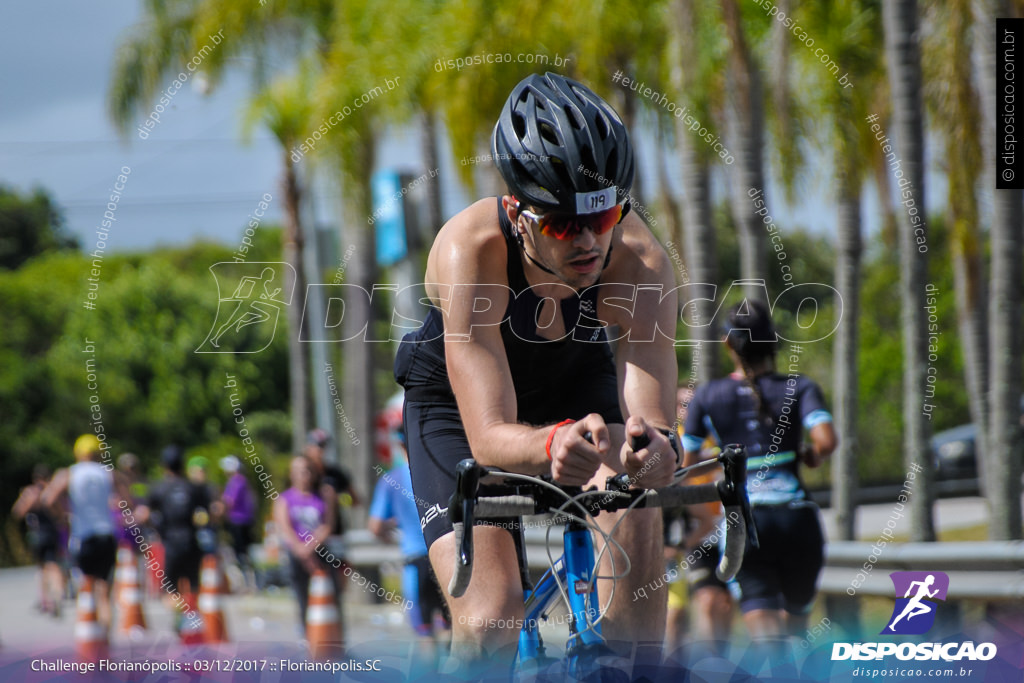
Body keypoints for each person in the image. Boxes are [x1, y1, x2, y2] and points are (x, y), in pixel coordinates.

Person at [394, 72, 678, 671]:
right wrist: (550, 442)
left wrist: (650, 451)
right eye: (560, 224)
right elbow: (491, 435)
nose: (587, 243)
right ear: (519, 214)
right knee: (492, 616)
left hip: (574, 385)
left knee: (639, 502)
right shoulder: (468, 250)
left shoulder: (640, 261)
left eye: (602, 220)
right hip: (458, 405)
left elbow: (649, 426)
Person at [682, 300, 837, 644]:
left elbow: (686, 465)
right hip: (800, 522)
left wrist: (718, 459)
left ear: (727, 344)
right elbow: (826, 441)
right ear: (773, 342)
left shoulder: (708, 395)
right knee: (798, 634)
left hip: (746, 525)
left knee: (767, 643)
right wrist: (811, 456)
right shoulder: (802, 387)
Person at [368, 403, 451, 646]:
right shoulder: (440, 472)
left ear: (398, 443)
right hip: (446, 555)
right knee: (451, 629)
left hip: (416, 560)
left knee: (425, 633)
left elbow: (374, 526)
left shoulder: (391, 480)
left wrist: (395, 530)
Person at [664, 389, 733, 657]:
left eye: (693, 404)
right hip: (697, 532)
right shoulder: (677, 441)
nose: (688, 409)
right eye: (682, 404)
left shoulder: (720, 435)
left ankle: (719, 663)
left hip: (726, 528)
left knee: (724, 604)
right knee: (697, 603)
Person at [42, 435, 127, 632]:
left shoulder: (69, 473)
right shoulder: (108, 473)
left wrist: (62, 516)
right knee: (105, 591)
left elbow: (48, 498)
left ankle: (91, 639)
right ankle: (105, 642)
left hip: (84, 536)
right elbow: (127, 500)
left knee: (87, 587)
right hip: (107, 535)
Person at [139, 445, 212, 621]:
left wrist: (155, 528)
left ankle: (181, 620)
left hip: (170, 543)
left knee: (170, 591)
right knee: (194, 586)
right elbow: (210, 513)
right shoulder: (195, 488)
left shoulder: (158, 488)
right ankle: (191, 621)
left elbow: (144, 515)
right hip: (192, 542)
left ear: (164, 465)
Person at [273, 455, 337, 641]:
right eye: (300, 471)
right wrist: (301, 550)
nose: (305, 475)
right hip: (296, 552)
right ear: (292, 474)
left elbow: (327, 525)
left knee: (328, 594)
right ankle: (307, 636)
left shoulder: (324, 495)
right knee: (302, 596)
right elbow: (284, 527)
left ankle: (333, 638)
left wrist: (311, 547)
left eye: (308, 470)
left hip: (320, 551)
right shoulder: (285, 499)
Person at [12, 465, 65, 617]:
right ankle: (57, 595)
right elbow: (60, 515)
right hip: (52, 532)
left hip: (37, 533)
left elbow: (17, 513)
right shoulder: (52, 492)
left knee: (42, 567)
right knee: (54, 564)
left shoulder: (31, 493)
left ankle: (45, 600)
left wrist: (25, 498)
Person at [220, 455, 257, 591]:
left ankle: (247, 583)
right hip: (242, 520)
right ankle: (247, 582)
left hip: (239, 521)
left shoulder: (237, 481)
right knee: (242, 552)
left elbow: (229, 501)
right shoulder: (241, 481)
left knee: (241, 552)